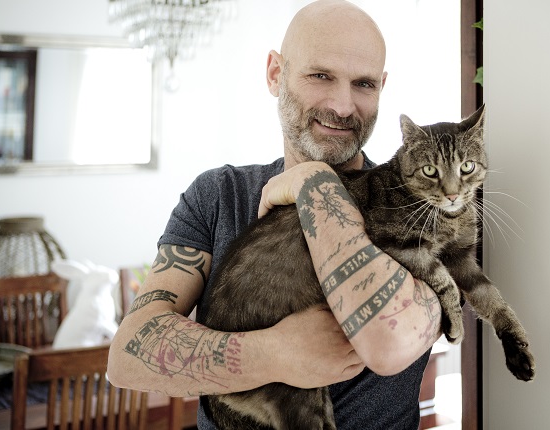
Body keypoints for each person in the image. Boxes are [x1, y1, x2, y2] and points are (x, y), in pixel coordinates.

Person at [107, 1, 443, 428]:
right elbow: (127, 356)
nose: (343, 105)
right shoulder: (217, 195)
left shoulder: (420, 210)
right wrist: (276, 353)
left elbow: (395, 339)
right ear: (275, 73)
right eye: (320, 75)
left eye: (364, 84)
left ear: (382, 86)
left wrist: (313, 184)